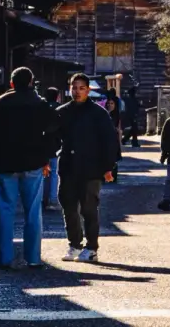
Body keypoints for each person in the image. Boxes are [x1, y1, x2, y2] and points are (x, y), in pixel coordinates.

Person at [0, 68, 59, 271]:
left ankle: (5, 258)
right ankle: (33, 258)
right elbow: (52, 133)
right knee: (33, 211)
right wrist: (46, 157)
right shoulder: (41, 105)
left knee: (5, 211)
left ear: (12, 83)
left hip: (5, 164)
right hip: (33, 163)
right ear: (31, 82)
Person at [55, 72, 120, 262]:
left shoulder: (99, 114)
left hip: (91, 167)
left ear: (88, 90)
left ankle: (92, 247)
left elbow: (109, 141)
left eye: (81, 88)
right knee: (68, 206)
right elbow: (51, 136)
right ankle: (75, 243)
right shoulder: (62, 111)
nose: (77, 91)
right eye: (74, 88)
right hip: (68, 165)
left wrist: (109, 167)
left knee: (89, 208)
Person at [42, 87, 63, 207]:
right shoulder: (60, 108)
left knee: (43, 173)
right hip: (56, 145)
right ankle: (53, 198)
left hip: (43, 145)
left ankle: (43, 198)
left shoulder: (42, 108)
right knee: (54, 172)